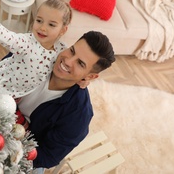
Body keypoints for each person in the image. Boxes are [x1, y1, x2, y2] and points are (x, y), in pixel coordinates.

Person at [15, 31, 116, 172]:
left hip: (22, 154)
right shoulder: (36, 56)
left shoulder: (79, 115)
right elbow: (0, 73)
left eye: (80, 63)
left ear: (90, 76)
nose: (67, 61)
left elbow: (47, 156)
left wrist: (9, 150)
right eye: (72, 51)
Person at [0, 0, 72, 98]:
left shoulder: (62, 50)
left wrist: (83, 80)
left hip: (18, 95)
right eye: (39, 21)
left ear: (63, 30)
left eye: (51, 25)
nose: (42, 28)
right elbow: (8, 37)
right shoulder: (27, 43)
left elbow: (75, 63)